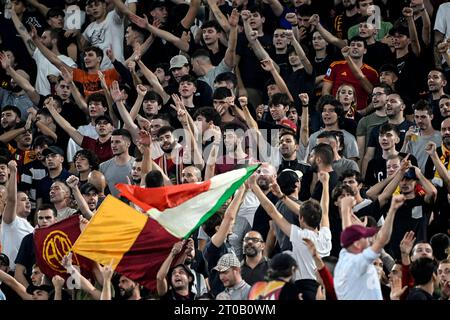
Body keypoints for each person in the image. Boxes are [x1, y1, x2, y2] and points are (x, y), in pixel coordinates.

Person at [334, 195, 405, 300]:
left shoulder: (345, 255)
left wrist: (345, 210)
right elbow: (383, 239)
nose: (369, 239)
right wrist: (392, 209)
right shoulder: (359, 261)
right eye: (365, 237)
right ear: (357, 244)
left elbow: (347, 232)